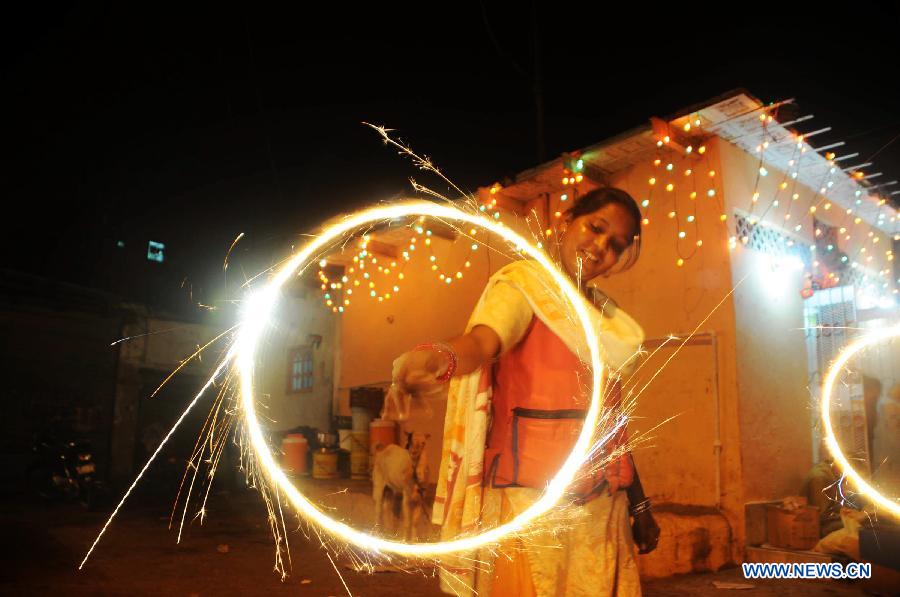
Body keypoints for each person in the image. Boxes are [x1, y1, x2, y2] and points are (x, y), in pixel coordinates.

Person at [392, 187, 658, 596]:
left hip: (601, 514)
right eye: (596, 227)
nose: (601, 246)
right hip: (532, 510)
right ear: (567, 222)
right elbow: (481, 342)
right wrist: (436, 357)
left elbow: (610, 424)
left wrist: (638, 504)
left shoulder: (607, 324)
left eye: (616, 244)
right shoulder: (524, 287)